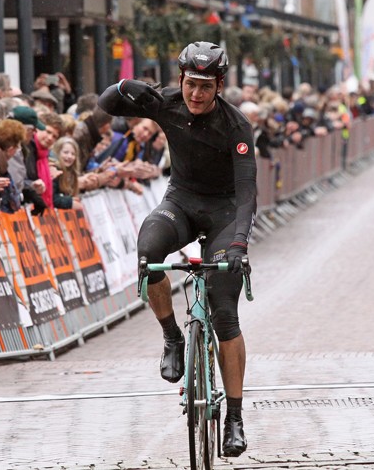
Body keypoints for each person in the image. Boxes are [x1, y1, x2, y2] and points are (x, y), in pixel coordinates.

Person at [97, 41, 256, 458]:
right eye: (190, 84)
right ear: (180, 80)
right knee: (148, 255)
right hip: (181, 202)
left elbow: (247, 192)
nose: (196, 95)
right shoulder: (166, 102)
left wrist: (238, 243)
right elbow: (106, 104)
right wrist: (128, 85)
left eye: (205, 86)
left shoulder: (236, 126)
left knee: (225, 313)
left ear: (219, 85)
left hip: (224, 214)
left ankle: (235, 417)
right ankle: (172, 337)